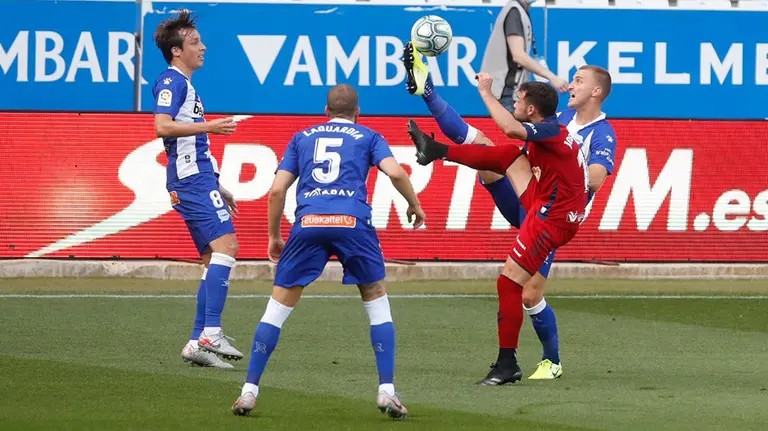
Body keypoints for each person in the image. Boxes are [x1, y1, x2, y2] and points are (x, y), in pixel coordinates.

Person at [404, 41, 617, 380]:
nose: (572, 85)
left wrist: (567, 162)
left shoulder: (601, 133)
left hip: (555, 213)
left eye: (578, 80)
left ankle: (551, 360)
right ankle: (429, 101)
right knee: (494, 156)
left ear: (596, 91)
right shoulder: (560, 118)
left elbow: (594, 181)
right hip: (535, 199)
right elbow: (523, 145)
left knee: (528, 292)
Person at [231, 84, 425, 419]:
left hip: (309, 222)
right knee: (376, 297)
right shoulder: (368, 135)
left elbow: (277, 190)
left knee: (276, 307)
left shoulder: (302, 137)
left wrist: (274, 236)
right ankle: (387, 391)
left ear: (326, 111)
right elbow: (395, 171)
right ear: (357, 112)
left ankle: (249, 391)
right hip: (352, 222)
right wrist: (414, 204)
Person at [152, 10, 243, 368]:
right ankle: (211, 331)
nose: (203, 47)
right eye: (194, 42)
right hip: (191, 181)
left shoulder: (185, 84)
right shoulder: (172, 82)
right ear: (177, 51)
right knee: (228, 247)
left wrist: (219, 185)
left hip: (198, 180)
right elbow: (162, 126)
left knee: (211, 259)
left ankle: (196, 343)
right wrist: (212, 128)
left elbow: (183, 142)